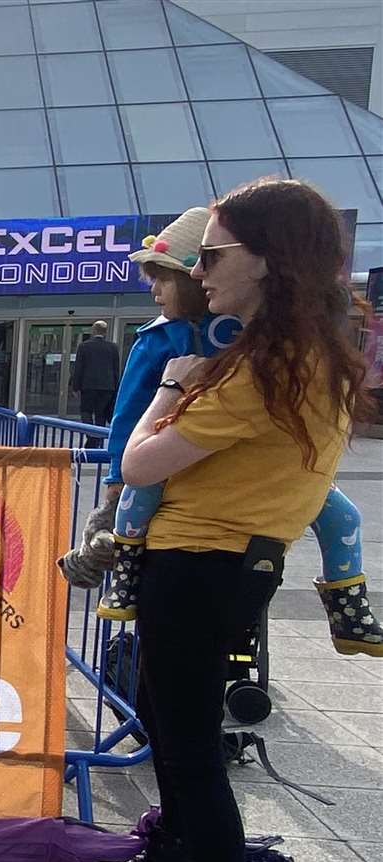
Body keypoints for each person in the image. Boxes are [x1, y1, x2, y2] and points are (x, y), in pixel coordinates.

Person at [87, 179, 373, 862]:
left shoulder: (266, 368)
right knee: (166, 717)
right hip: (210, 564)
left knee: (188, 748)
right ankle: (174, 856)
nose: (197, 269)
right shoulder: (289, 353)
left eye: (212, 254)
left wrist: (172, 387)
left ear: (268, 260)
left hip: (206, 565)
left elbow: (137, 464)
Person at [63, 207, 380, 656]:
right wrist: (118, 476)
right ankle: (124, 571)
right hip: (177, 471)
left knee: (343, 516)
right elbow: (129, 418)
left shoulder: (267, 343)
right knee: (136, 499)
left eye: (164, 278)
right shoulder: (163, 339)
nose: (155, 290)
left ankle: (348, 609)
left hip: (242, 493)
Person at [71, 320, 121, 428]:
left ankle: (91, 437)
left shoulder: (84, 346)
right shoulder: (113, 347)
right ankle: (97, 437)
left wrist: (75, 387)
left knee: (86, 411)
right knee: (101, 414)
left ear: (93, 331)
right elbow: (116, 369)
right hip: (107, 387)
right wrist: (116, 388)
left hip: (88, 386)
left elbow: (79, 368)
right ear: (105, 332)